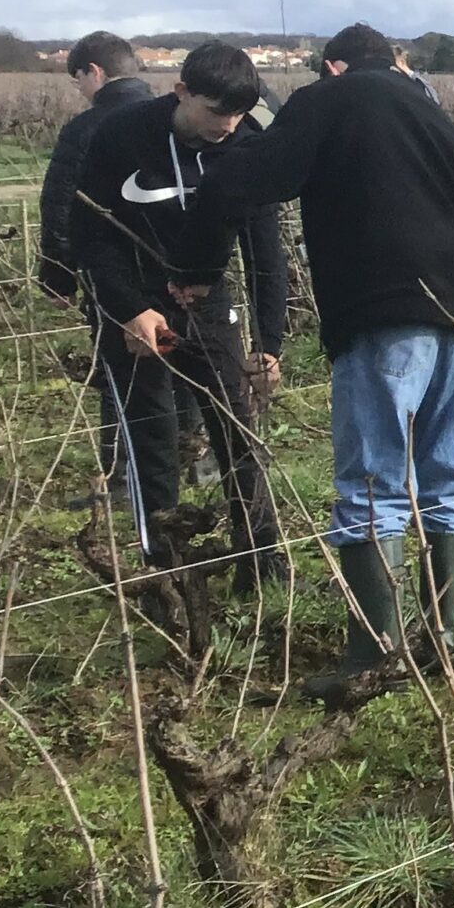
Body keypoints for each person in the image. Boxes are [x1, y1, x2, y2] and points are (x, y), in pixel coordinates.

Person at [175, 21, 454, 703]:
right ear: (397, 62)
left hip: (381, 316)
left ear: (332, 66)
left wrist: (196, 267)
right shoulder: (435, 116)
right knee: (448, 481)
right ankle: (443, 645)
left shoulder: (331, 99)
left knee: (373, 485)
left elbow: (244, 181)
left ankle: (371, 658)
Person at [68, 43, 286, 580]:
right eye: (217, 111)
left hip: (209, 302)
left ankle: (259, 558)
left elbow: (264, 249)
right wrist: (130, 309)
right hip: (134, 306)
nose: (228, 124)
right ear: (181, 92)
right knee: (152, 437)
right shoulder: (120, 136)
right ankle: (164, 567)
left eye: (238, 113)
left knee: (236, 426)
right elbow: (89, 236)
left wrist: (269, 343)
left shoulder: (247, 144)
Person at [39, 32, 157, 305]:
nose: (79, 88)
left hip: (112, 273)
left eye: (78, 79)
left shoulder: (83, 129)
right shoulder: (173, 117)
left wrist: (58, 276)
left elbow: (59, 205)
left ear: (95, 72)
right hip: (181, 274)